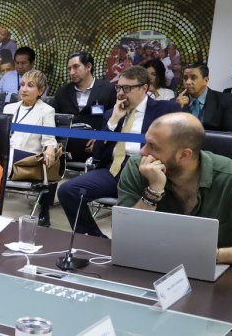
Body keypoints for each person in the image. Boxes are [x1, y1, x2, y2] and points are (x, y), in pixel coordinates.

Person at [117, 113, 232, 265]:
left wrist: (210, 255)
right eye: (146, 142)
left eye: (153, 146)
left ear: (184, 155)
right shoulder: (139, 167)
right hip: (150, 263)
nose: (143, 151)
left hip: (216, 275)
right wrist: (153, 191)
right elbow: (126, 236)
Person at [57, 66, 180, 237]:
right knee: (67, 190)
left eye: (127, 88)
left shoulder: (165, 110)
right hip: (114, 170)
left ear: (144, 88)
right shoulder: (111, 114)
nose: (121, 93)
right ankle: (95, 238)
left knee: (133, 217)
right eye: (119, 87)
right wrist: (114, 121)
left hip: (144, 171)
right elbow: (97, 154)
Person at [4, 70, 59, 225]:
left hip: (26, 159)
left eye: (30, 85)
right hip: (7, 153)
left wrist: (49, 149)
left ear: (40, 91)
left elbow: (50, 139)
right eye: (22, 85)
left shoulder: (46, 111)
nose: (24, 89)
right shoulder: (9, 108)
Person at [51, 51, 117, 166]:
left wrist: (101, 137)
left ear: (88, 66)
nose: (71, 72)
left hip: (97, 149)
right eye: (69, 69)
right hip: (67, 150)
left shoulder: (107, 89)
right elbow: (52, 119)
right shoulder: (62, 92)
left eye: (76, 67)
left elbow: (115, 118)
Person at [177, 63, 232, 132]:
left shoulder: (225, 100)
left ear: (206, 80)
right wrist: (177, 107)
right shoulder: (175, 102)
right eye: (185, 78)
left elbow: (231, 133)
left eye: (193, 78)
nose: (188, 82)